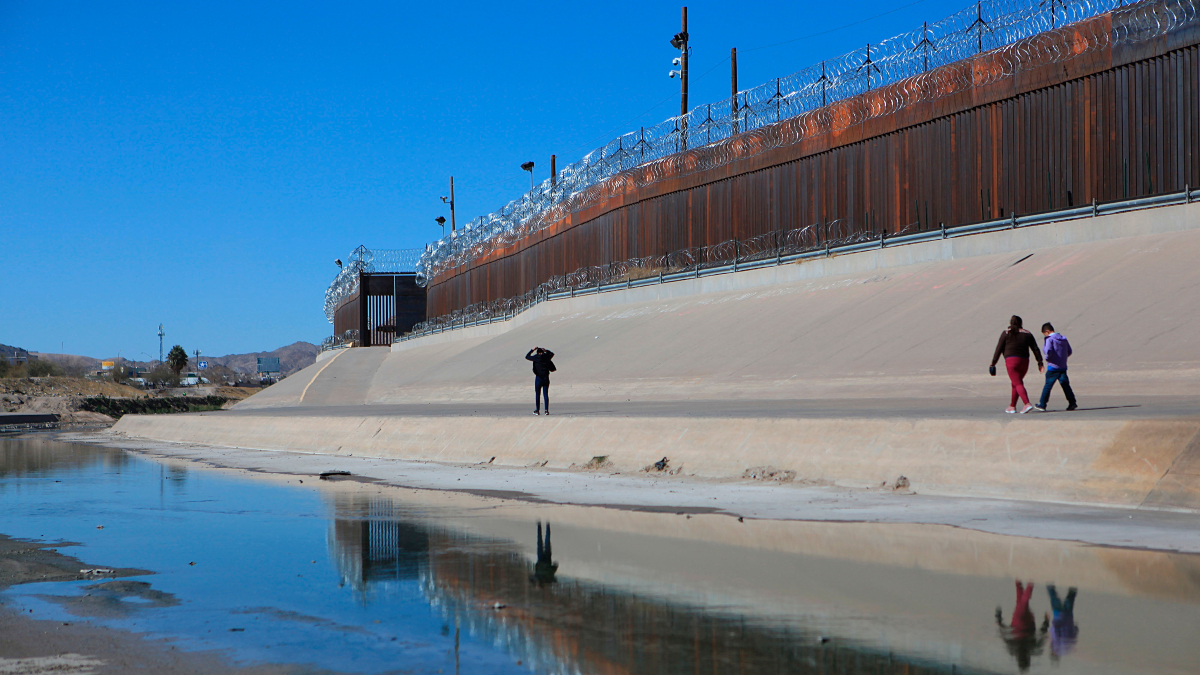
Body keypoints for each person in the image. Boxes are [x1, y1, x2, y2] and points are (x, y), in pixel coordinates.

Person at [990, 315, 1044, 414]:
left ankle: (1027, 403)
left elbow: (999, 349)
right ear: (1021, 323)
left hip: (1011, 361)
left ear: (1011, 323)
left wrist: (993, 363)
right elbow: (1035, 349)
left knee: (1018, 383)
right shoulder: (1027, 333)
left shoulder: (1006, 333)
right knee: (1016, 382)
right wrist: (1040, 362)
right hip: (1024, 362)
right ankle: (1012, 406)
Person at [995, 580, 1048, 672]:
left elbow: (1042, 634)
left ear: (1028, 661)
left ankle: (1029, 581)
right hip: (1018, 621)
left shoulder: (1033, 649)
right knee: (1022, 602)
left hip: (1030, 621)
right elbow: (1003, 633)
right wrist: (999, 618)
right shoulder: (1013, 649)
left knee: (1022, 602)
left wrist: (1046, 622)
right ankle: (1020, 581)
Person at [1035, 323, 1077, 412]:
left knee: (1048, 386)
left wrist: (1048, 358)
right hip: (1062, 366)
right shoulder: (1063, 339)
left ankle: (1042, 404)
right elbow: (1069, 351)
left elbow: (1048, 351)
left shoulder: (1049, 339)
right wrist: (1062, 358)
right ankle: (1072, 402)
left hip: (1053, 367)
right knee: (1066, 385)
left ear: (1047, 331)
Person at [525, 346, 555, 415]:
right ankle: (546, 410)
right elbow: (552, 353)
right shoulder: (546, 357)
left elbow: (527, 356)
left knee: (538, 394)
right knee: (545, 394)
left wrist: (532, 349)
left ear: (537, 352)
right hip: (546, 378)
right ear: (542, 352)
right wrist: (546, 350)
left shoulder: (535, 358)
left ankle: (537, 410)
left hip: (538, 378)